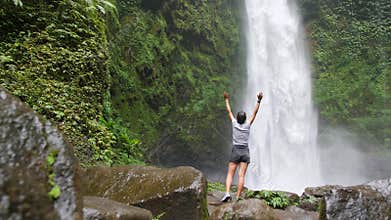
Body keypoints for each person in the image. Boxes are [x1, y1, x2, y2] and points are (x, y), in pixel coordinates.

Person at [220, 91, 263, 202]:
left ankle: (227, 193)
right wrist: (259, 100)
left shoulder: (234, 123)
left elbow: (229, 111)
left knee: (230, 173)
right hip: (245, 152)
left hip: (236, 151)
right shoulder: (248, 125)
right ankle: (238, 197)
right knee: (241, 175)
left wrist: (226, 99)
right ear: (244, 119)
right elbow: (254, 113)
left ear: (237, 118)